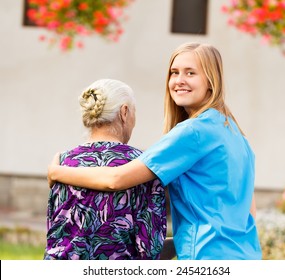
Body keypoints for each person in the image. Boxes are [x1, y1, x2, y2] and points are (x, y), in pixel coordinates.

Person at [48, 42, 262, 260]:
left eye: (190, 73)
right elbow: (248, 212)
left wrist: (57, 172)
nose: (179, 80)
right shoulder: (236, 134)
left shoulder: (194, 132)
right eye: (174, 72)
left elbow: (116, 178)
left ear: (211, 81)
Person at [44, 79, 167, 260]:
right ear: (124, 112)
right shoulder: (141, 166)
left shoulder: (62, 162)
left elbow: (54, 231)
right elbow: (150, 245)